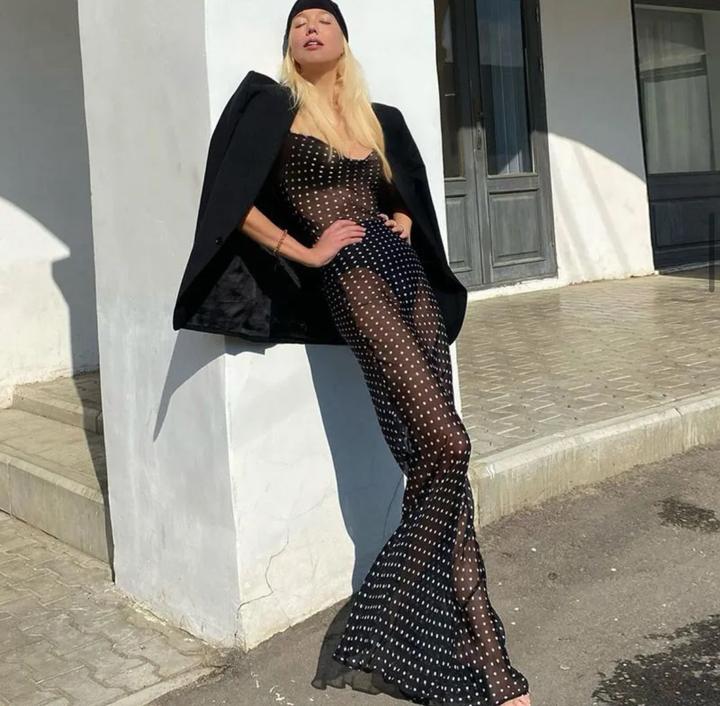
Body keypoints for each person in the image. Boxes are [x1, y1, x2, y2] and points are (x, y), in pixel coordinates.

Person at [186, 2, 532, 704]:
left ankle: (478, 659)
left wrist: (400, 214)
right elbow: (231, 200)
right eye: (298, 23)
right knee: (448, 446)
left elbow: (402, 195)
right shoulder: (273, 109)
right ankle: (411, 624)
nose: (310, 28)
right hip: (352, 280)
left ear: (343, 39)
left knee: (437, 463)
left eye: (324, 20)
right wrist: (304, 250)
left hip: (407, 277)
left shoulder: (374, 119)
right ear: (290, 44)